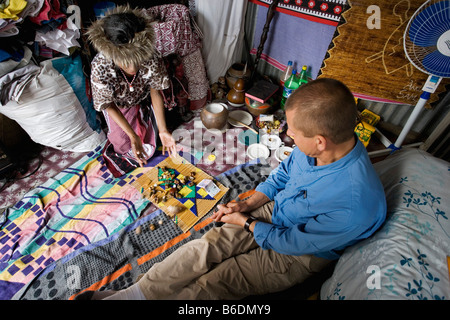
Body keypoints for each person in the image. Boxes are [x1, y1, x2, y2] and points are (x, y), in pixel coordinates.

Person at [75, 78, 386, 300]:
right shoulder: (313, 150)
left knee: (214, 283)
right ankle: (131, 295)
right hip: (275, 212)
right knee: (207, 246)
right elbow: (280, 178)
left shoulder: (356, 204)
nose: (287, 135)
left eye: (293, 133)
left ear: (321, 140)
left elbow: (294, 242)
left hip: (296, 254)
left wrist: (249, 224)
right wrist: (249, 205)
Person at [87, 6, 177, 177]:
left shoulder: (150, 55)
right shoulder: (100, 66)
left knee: (150, 142)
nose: (133, 68)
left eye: (138, 61)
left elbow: (155, 92)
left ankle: (145, 118)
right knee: (124, 145)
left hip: (142, 98)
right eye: (126, 63)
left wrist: (163, 129)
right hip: (118, 106)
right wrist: (132, 135)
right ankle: (132, 130)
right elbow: (108, 105)